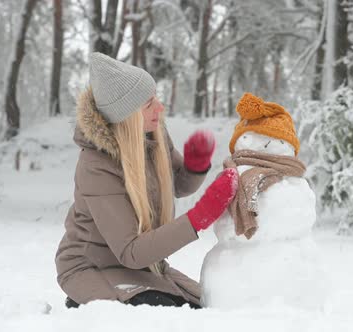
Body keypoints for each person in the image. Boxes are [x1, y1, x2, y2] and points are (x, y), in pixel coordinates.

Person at [55, 52, 238, 309]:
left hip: (145, 265)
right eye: (149, 103)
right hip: (93, 266)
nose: (160, 108)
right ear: (127, 116)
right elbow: (130, 250)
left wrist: (195, 167)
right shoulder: (96, 167)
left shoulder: (153, 135)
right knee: (165, 317)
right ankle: (84, 301)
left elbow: (178, 185)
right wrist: (201, 216)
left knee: (205, 306)